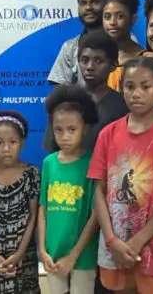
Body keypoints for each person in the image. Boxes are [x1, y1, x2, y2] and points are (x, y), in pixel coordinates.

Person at [88, 57, 153, 293]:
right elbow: (98, 191)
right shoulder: (108, 134)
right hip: (115, 245)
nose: (136, 94)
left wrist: (138, 241)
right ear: (121, 89)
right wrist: (112, 240)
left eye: (146, 86)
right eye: (129, 86)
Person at [38, 85, 100, 294]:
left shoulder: (92, 163)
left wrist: (74, 255)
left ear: (85, 128)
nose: (64, 136)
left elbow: (95, 215)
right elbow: (43, 210)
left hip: (83, 255)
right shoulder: (49, 163)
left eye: (72, 129)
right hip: (52, 253)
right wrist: (42, 249)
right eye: (59, 130)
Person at [0, 111, 40, 293]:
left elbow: (33, 217)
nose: (6, 148)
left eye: (13, 142)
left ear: (22, 143)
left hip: (23, 253)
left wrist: (19, 254)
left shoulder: (32, 174)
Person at [43, 29, 128, 153]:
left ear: (113, 65)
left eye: (98, 61)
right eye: (84, 60)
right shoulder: (64, 101)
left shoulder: (121, 105)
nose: (89, 67)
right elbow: (53, 150)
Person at [48, 0, 107, 86]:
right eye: (83, 3)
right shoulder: (70, 46)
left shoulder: (123, 42)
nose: (88, 7)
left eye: (94, 2)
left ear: (106, 5)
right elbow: (60, 88)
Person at [101, 0, 145, 90]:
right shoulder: (96, 58)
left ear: (133, 19)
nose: (112, 22)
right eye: (107, 17)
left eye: (120, 16)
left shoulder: (145, 60)